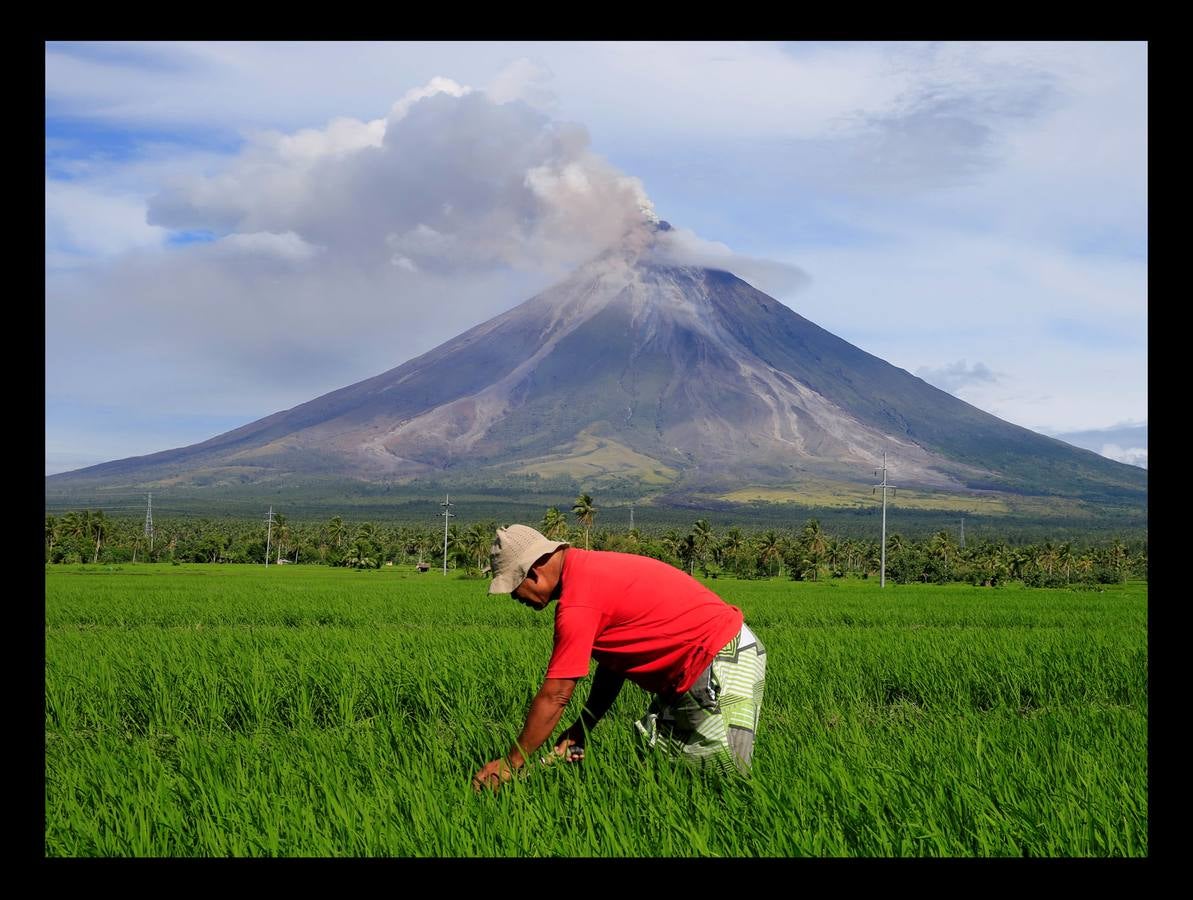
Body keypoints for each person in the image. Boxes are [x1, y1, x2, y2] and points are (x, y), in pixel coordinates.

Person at [472, 524, 766, 791]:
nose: (516, 599)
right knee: (665, 771)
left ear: (533, 572)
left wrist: (511, 762)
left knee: (722, 781)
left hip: (719, 658)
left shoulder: (579, 605)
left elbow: (556, 696)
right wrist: (582, 728)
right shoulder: (588, 572)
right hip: (696, 666)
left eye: (514, 588)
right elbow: (614, 666)